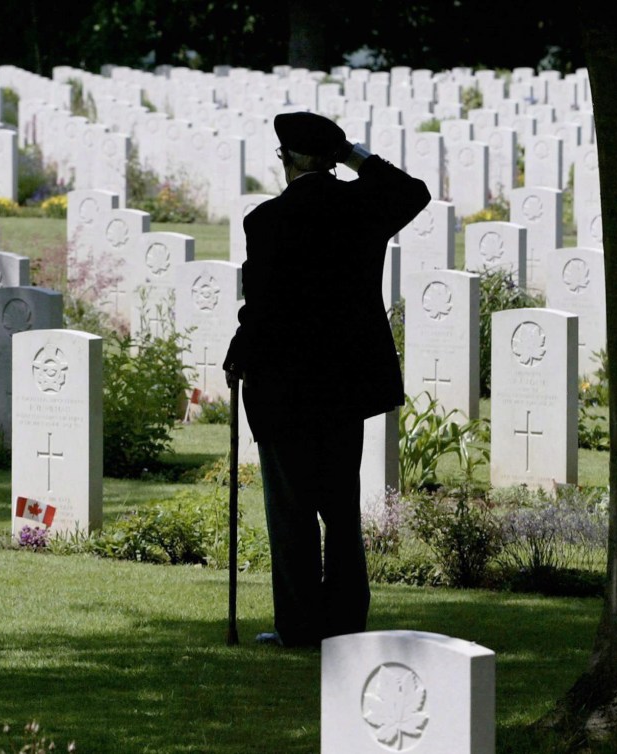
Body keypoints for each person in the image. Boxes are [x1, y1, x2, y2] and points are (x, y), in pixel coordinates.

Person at [223, 111, 431, 648]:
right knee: (339, 509)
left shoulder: (266, 220)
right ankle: (342, 625)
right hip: (344, 385)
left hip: (285, 384)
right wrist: (356, 157)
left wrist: (238, 352)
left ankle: (298, 625)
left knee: (291, 512)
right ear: (331, 158)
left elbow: (263, 306)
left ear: (286, 159)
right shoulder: (362, 206)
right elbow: (413, 192)